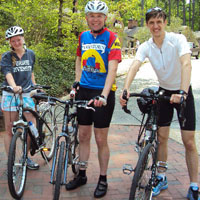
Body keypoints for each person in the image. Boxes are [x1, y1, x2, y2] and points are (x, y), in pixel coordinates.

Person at [120, 7, 199, 200]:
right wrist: (126, 87)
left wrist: (182, 92)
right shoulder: (146, 46)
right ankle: (161, 176)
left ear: (164, 22)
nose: (156, 26)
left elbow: (186, 64)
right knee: (162, 138)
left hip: (182, 92)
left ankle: (194, 185)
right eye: (151, 23)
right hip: (163, 91)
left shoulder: (177, 40)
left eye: (159, 22)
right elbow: (134, 65)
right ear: (147, 25)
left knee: (188, 142)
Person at [65, 0, 121, 198]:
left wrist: (104, 95)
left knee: (100, 138)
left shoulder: (112, 38)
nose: (95, 19)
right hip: (84, 91)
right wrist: (77, 82)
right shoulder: (83, 36)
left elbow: (113, 68)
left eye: (99, 16)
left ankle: (103, 178)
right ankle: (82, 174)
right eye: (91, 16)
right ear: (87, 18)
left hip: (103, 92)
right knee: (83, 136)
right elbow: (79, 59)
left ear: (104, 18)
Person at [0, 26, 39, 170]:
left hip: (27, 94)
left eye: (18, 39)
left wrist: (35, 86)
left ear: (23, 38)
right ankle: (11, 161)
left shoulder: (31, 54)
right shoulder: (7, 56)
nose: (16, 42)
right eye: (13, 41)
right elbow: (7, 73)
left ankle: (25, 157)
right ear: (10, 42)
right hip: (10, 94)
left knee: (30, 125)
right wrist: (14, 86)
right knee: (9, 128)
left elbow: (30, 72)